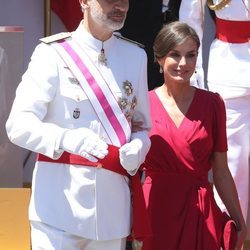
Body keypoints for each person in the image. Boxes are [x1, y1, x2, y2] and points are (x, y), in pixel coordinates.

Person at [5, 0, 152, 249]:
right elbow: (18, 124)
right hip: (58, 210)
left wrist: (139, 145)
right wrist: (66, 139)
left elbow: (141, 124)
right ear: (83, 1)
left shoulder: (135, 56)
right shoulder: (52, 52)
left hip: (111, 213)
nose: (120, 6)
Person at [138, 21, 247, 250]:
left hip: (200, 212)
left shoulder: (212, 103)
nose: (183, 63)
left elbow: (221, 171)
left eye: (191, 55)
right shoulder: (142, 104)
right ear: (159, 59)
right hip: (156, 209)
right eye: (174, 55)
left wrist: (239, 219)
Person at [179, 0, 250, 223]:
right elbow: (191, 20)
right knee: (233, 163)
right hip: (231, 70)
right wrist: (195, 69)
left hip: (232, 71)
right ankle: (230, 235)